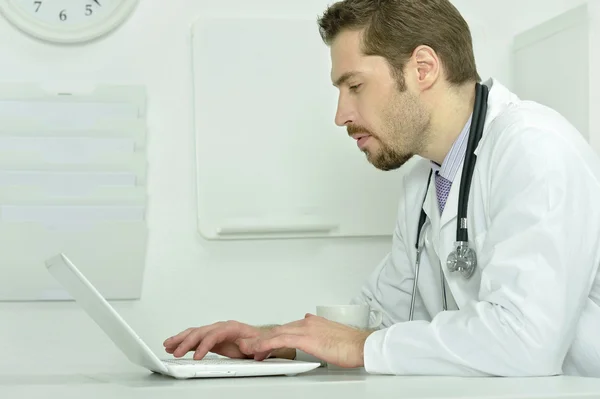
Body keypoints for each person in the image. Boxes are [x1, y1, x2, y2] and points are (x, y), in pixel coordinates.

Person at [163, 0, 600, 377]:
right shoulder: (427, 176)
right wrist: (278, 341)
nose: (340, 115)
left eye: (354, 86)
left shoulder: (534, 148)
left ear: (423, 68)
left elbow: (526, 342)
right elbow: (383, 315)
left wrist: (360, 347)